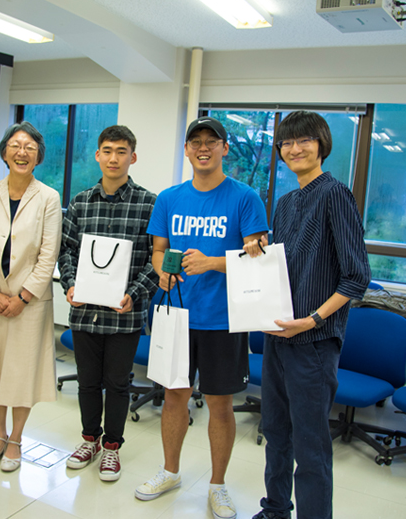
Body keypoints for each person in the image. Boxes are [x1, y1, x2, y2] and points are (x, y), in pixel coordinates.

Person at [138, 117, 268, 519]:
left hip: (222, 318)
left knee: (219, 402)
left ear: (225, 148)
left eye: (212, 141)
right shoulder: (170, 198)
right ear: (187, 149)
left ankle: (218, 486)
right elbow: (158, 251)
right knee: (174, 397)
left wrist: (212, 262)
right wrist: (162, 270)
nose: (204, 147)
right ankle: (170, 471)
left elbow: (258, 258)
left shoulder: (245, 197)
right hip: (175, 312)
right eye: (196, 141)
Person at [244, 112, 370, 519]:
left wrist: (313, 319)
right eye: (287, 142)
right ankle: (276, 509)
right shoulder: (285, 202)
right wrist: (259, 249)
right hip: (279, 338)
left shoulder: (335, 194)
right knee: (276, 433)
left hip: (313, 345)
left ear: (322, 145)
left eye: (304, 140)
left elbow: (356, 277)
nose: (295, 149)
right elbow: (282, 268)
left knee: (311, 448)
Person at [58, 125, 159, 482]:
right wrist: (70, 284)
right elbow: (66, 250)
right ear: (98, 156)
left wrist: (136, 292)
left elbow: (156, 259)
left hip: (124, 315)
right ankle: (89, 440)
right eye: (107, 150)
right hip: (85, 311)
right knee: (87, 382)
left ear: (132, 157)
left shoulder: (150, 203)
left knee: (117, 383)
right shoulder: (81, 202)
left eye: (121, 151)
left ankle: (112, 447)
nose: (113, 158)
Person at [0, 121, 62, 472]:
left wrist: (21, 298)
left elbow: (48, 255)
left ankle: (17, 438)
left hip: (29, 304)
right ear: (4, 152)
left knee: (21, 372)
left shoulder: (49, 197)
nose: (22, 152)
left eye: (30, 147)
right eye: (16, 146)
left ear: (38, 157)